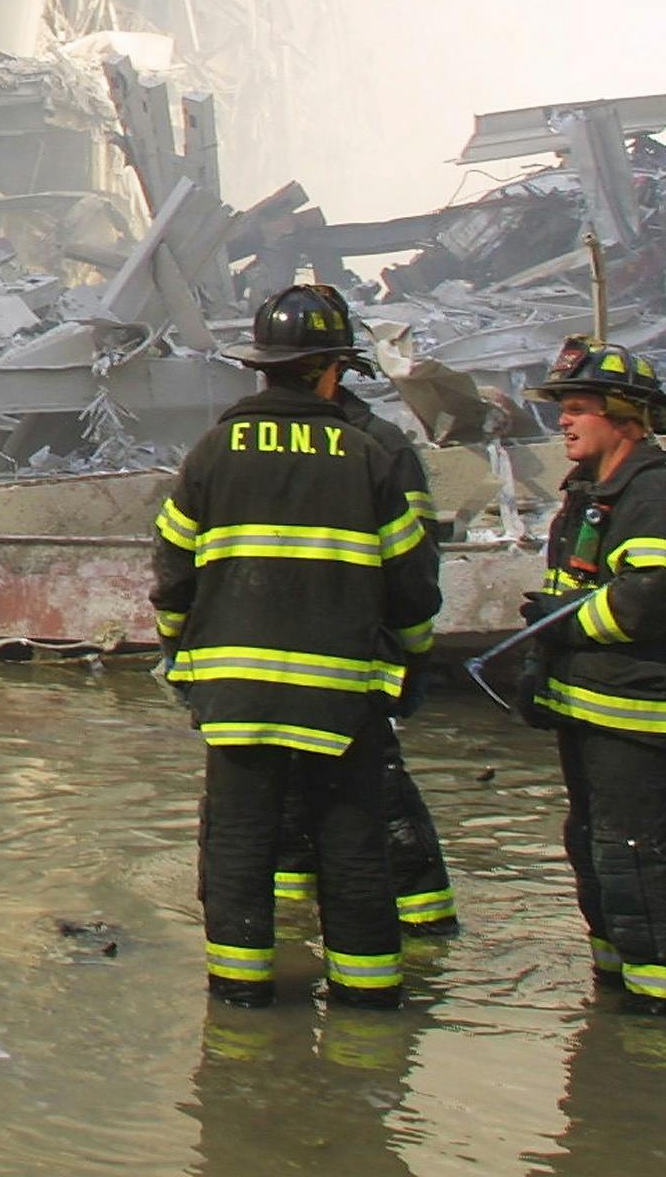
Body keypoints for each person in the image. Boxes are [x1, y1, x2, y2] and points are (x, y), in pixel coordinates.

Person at [152, 283, 439, 1008]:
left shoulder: (213, 452)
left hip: (235, 696)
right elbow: (412, 586)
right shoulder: (366, 454)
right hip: (341, 702)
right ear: (330, 369)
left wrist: (178, 653)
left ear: (263, 366)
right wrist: (411, 657)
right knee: (352, 848)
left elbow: (171, 570)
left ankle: (241, 1009)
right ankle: (368, 1014)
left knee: (239, 846)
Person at [516, 338, 666, 1017]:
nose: (564, 422)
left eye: (579, 408)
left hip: (642, 726)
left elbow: (653, 599)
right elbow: (570, 595)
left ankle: (661, 1030)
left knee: (639, 868)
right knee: (599, 859)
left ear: (626, 417)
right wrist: (541, 670)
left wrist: (566, 627)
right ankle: (613, 1012)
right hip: (593, 718)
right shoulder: (592, 497)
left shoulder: (656, 496)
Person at [271, 288, 459, 938]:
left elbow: (414, 568)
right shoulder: (261, 448)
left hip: (356, 670)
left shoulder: (380, 448)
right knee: (289, 815)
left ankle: (428, 935)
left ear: (336, 370)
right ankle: (299, 928)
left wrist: (409, 655)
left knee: (377, 800)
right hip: (281, 675)